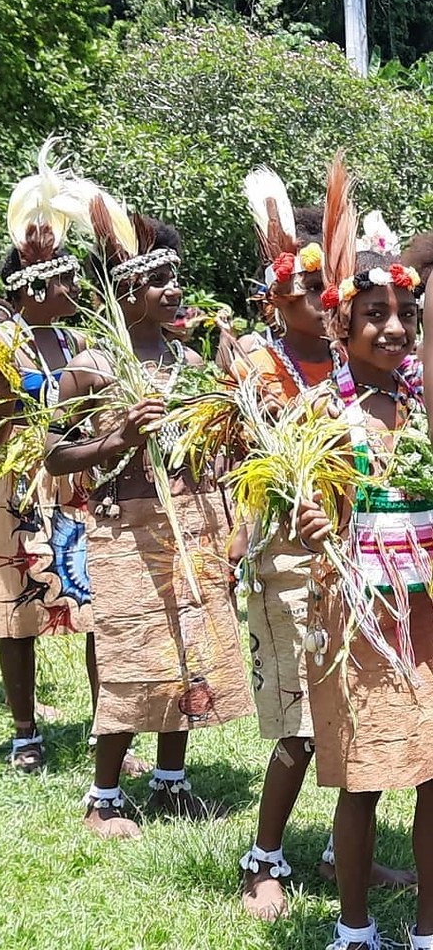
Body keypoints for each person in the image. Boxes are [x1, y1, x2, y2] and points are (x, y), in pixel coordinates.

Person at [46, 194, 253, 838]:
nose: (174, 289)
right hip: (125, 528)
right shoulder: (90, 369)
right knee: (133, 655)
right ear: (124, 289)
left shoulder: (188, 364)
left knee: (189, 650)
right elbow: (54, 454)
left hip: (194, 521)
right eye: (159, 279)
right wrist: (118, 440)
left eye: (174, 276)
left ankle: (171, 780)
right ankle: (103, 797)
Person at [234, 173, 411, 919]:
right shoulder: (263, 363)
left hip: (373, 567)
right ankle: (263, 858)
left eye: (321, 285)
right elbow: (263, 465)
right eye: (305, 287)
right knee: (303, 727)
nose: (314, 297)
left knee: (364, 723)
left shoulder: (391, 387)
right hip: (293, 561)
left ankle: (347, 854)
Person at [298, 155, 433, 950]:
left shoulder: (421, 407)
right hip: (359, 621)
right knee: (366, 780)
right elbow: (291, 508)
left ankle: (427, 930)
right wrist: (311, 522)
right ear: (341, 326)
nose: (393, 328)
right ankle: (354, 927)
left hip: (425, 614)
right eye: (374, 314)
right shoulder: (323, 412)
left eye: (405, 315)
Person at [0, 148, 92, 769]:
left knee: (92, 603)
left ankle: (107, 728)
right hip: (11, 480)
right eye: (66, 278)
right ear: (35, 285)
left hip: (74, 478)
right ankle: (24, 731)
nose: (76, 288)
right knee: (17, 603)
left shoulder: (78, 338)